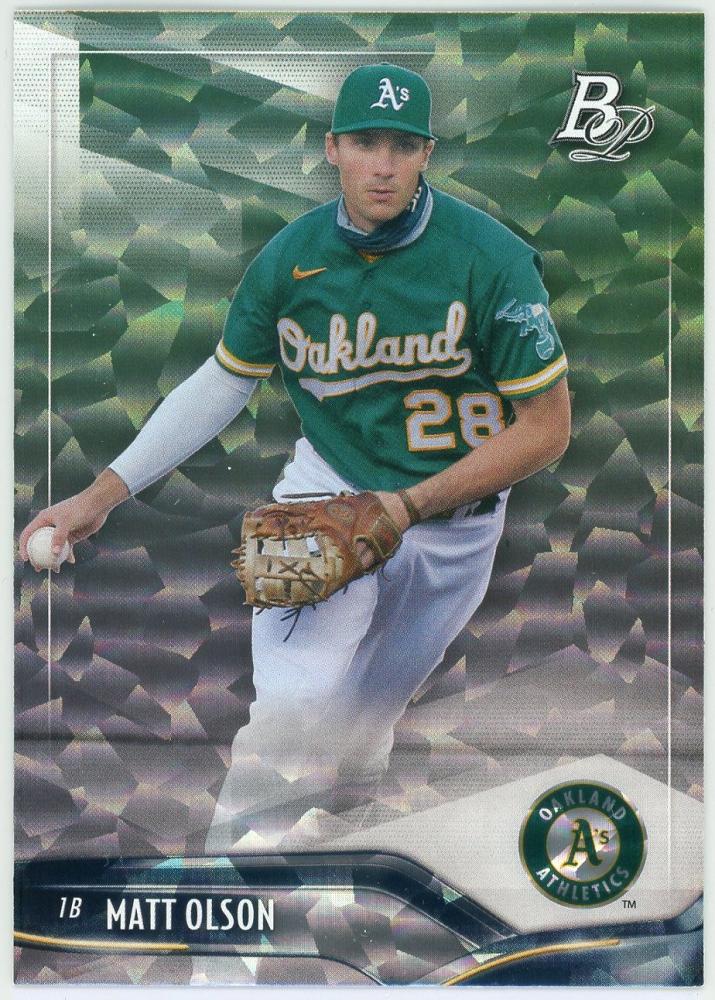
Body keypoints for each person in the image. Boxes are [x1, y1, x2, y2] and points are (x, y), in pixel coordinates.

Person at [19, 64, 570, 853]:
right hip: (326, 494)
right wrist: (98, 497)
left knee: (365, 724)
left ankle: (333, 866)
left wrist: (407, 507)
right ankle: (229, 894)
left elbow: (545, 429)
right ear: (332, 147)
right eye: (365, 143)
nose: (383, 165)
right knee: (291, 707)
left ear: (426, 155)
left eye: (402, 146)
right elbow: (224, 381)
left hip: (457, 527)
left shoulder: (491, 260)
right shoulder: (291, 259)